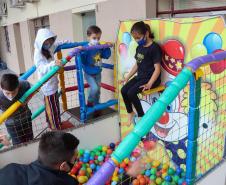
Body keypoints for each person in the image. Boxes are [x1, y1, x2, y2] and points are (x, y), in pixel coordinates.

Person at [121, 21, 162, 126]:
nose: (137, 41)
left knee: (131, 93)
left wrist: (150, 84)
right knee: (124, 90)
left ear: (147, 34)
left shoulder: (154, 48)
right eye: (135, 39)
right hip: (140, 77)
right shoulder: (139, 48)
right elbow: (137, 65)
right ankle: (130, 112)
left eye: (139, 38)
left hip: (151, 79)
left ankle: (141, 115)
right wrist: (127, 77)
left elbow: (157, 69)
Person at [0, 131, 79, 185]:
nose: (76, 160)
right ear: (63, 166)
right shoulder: (64, 182)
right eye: (75, 159)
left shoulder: (11, 168)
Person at [78, 25, 111, 115]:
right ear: (88, 37)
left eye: (98, 38)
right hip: (88, 73)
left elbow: (106, 55)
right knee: (94, 88)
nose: (96, 40)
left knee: (98, 91)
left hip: (98, 72)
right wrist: (82, 51)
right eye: (94, 38)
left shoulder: (99, 46)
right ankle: (90, 102)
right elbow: (82, 61)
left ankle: (97, 107)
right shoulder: (86, 47)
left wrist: (106, 47)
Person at [34, 28, 62, 130]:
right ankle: (55, 128)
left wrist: (71, 43)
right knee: (52, 107)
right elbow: (41, 69)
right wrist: (53, 64)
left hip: (52, 83)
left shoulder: (49, 48)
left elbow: (57, 44)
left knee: (52, 105)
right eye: (46, 41)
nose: (49, 43)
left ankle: (52, 125)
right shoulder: (38, 53)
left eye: (50, 40)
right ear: (41, 41)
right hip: (47, 85)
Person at [0, 73, 33, 145]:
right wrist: (1, 135)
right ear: (1, 88)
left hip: (26, 117)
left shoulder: (24, 84)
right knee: (18, 144)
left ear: (18, 86)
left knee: (30, 139)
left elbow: (31, 89)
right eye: (7, 93)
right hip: (12, 124)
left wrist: (27, 99)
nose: (11, 96)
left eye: (14, 92)